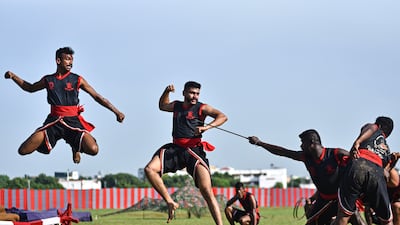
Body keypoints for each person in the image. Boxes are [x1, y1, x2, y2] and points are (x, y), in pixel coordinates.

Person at [4, 47, 125, 164]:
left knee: (93, 149)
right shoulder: (48, 79)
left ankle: (75, 146)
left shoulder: (77, 79)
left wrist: (116, 112)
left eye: (72, 59)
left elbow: (97, 96)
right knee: (23, 150)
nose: (70, 62)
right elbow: (29, 88)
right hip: (53, 121)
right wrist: (13, 76)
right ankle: (59, 142)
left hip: (73, 121)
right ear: (58, 61)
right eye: (67, 59)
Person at [144, 81, 228, 224]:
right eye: (191, 93)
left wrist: (206, 127)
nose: (194, 96)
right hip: (176, 148)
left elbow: (222, 116)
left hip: (193, 151)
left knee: (206, 190)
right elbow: (162, 106)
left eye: (197, 93)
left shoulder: (202, 108)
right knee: (149, 169)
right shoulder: (177, 106)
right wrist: (166, 92)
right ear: (184, 93)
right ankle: (170, 202)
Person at [248, 130, 366, 225]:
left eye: (302, 142)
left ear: (312, 142)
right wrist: (260, 143)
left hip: (341, 199)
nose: (301, 146)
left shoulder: (336, 153)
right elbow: (283, 152)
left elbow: (359, 162)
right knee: (311, 223)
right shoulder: (306, 157)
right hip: (323, 201)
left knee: (356, 220)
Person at [334, 116, 400, 225]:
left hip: (358, 166)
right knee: (387, 220)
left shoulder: (374, 128)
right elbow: (385, 174)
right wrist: (392, 161)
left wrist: (357, 142)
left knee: (343, 216)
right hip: (376, 172)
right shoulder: (386, 148)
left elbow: (372, 127)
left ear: (379, 126)